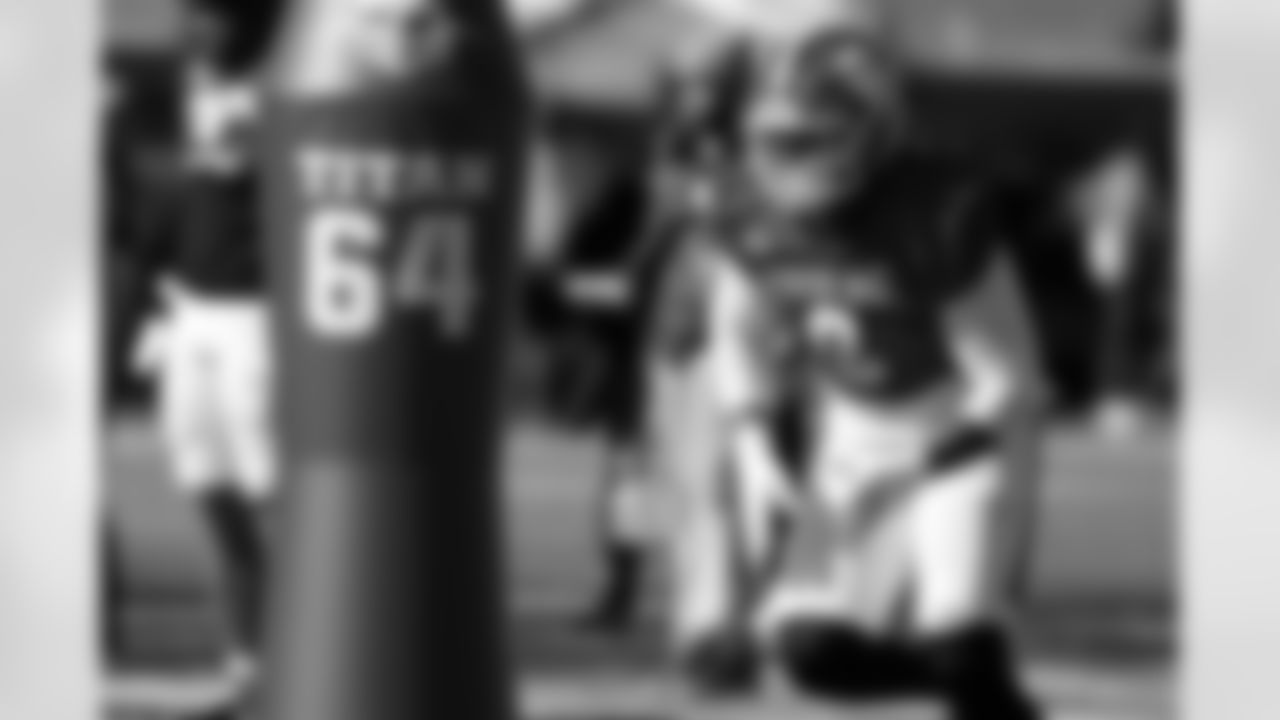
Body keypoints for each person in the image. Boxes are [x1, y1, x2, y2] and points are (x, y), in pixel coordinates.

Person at [645, 1, 1047, 718]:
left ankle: (979, 688)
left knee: (958, 636)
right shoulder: (747, 210)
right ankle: (982, 691)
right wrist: (751, 438)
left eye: (809, 141)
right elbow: (736, 326)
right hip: (855, 430)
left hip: (958, 425)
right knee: (807, 652)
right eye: (772, 140)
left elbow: (1006, 376)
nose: (784, 161)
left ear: (872, 134)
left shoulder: (931, 214)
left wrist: (951, 455)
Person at [131, 0, 283, 694]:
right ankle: (245, 659)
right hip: (190, 308)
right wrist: (155, 295)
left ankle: (312, 651)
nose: (193, 27)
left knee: (274, 492)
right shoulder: (197, 85)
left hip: (257, 316)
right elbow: (188, 196)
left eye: (210, 14)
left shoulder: (286, 88)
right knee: (205, 482)